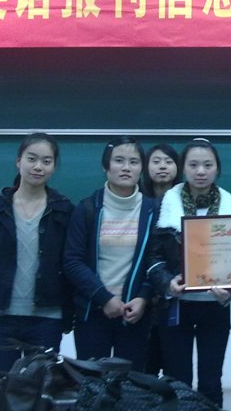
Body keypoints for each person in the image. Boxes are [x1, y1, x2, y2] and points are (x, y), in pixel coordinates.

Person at [0, 133, 74, 372]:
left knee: (41, 388)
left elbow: (70, 265)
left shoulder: (64, 211)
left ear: (54, 167)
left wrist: (69, 316)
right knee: (3, 386)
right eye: (31, 159)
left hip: (46, 319)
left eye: (46, 161)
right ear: (18, 161)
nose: (38, 166)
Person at [147, 138, 231, 408]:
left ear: (217, 168)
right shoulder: (165, 204)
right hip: (176, 306)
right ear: (183, 168)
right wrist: (167, 283)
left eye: (207, 165)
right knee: (177, 380)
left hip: (215, 307)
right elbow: (153, 257)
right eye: (193, 165)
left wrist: (230, 291)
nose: (200, 171)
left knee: (211, 380)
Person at [63, 136, 157, 371]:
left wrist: (143, 297)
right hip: (93, 312)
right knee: (92, 383)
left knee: (132, 385)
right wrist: (104, 298)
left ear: (142, 168)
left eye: (134, 162)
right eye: (119, 160)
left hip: (135, 313)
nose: (126, 167)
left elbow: (156, 259)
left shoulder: (153, 210)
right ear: (106, 166)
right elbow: (72, 261)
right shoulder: (87, 209)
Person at [141, 143, 181, 376]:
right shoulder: (137, 201)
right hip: (140, 298)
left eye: (168, 161)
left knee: (174, 371)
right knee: (144, 370)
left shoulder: (186, 203)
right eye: (156, 162)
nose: (162, 166)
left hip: (173, 296)